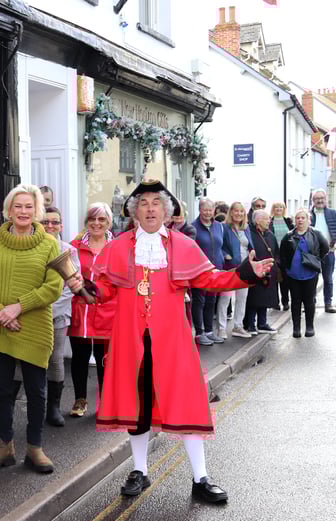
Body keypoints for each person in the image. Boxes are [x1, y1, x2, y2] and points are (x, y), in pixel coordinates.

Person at [68, 180, 273, 504]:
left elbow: (211, 278)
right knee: (138, 408)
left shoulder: (181, 246)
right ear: (135, 212)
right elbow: (105, 289)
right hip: (130, 343)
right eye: (143, 203)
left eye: (155, 202)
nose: (149, 208)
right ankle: (139, 470)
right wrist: (89, 290)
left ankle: (200, 477)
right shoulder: (119, 247)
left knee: (188, 402)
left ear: (166, 210)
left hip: (173, 342)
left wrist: (246, 271)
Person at [0, 184, 62, 474]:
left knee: (37, 391)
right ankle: (5, 447)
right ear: (8, 210)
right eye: (18, 206)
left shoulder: (50, 244)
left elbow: (54, 286)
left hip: (34, 327)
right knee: (1, 390)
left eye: (28, 206)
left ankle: (35, 448)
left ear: (37, 210)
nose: (23, 212)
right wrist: (1, 312)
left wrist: (18, 307)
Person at [68, 203, 116, 418]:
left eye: (101, 220)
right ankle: (80, 399)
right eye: (92, 219)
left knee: (104, 357)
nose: (96, 223)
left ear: (109, 223)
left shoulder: (118, 247)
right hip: (80, 309)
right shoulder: (74, 247)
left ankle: (105, 402)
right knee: (79, 356)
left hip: (108, 310)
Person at [40, 206, 77, 426]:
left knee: (55, 359)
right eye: (45, 222)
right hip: (31, 315)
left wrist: (47, 309)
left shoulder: (69, 251)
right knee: (21, 361)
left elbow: (70, 286)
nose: (50, 226)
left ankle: (53, 407)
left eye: (54, 222)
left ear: (61, 226)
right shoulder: (33, 248)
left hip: (57, 315)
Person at [280, 209, 329, 337]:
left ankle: (309, 327)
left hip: (310, 274)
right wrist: (286, 268)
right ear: (294, 220)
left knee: (309, 301)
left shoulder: (316, 233)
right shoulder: (288, 235)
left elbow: (325, 248)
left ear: (308, 220)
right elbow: (282, 254)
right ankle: (296, 328)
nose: (300, 220)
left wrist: (316, 260)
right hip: (293, 275)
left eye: (303, 218)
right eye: (298, 218)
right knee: (295, 301)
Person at [191, 199, 225, 346]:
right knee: (199, 301)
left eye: (210, 210)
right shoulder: (193, 227)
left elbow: (220, 246)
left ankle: (210, 331)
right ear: (200, 210)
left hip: (216, 269)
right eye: (205, 210)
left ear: (214, 211)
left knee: (212, 300)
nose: (207, 213)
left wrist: (222, 260)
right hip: (199, 270)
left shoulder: (219, 227)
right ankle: (199, 332)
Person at [219, 202, 253, 339]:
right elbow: (219, 245)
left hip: (245, 268)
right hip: (230, 268)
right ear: (231, 212)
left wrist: (252, 252)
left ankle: (238, 326)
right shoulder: (224, 227)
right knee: (225, 298)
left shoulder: (246, 228)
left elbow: (249, 245)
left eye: (241, 211)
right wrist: (226, 255)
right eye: (236, 211)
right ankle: (221, 328)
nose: (239, 213)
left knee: (242, 298)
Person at [244, 210, 279, 335]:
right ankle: (250, 324)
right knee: (254, 299)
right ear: (258, 221)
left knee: (265, 298)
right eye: (266, 219)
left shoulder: (270, 234)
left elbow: (276, 252)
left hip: (269, 272)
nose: (269, 221)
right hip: (255, 271)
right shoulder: (250, 234)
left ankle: (262, 323)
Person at [310, 189, 336, 313]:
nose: (320, 200)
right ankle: (311, 302)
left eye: (322, 198)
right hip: (312, 253)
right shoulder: (308, 215)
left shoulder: (333, 213)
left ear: (326, 199)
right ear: (313, 201)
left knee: (328, 279)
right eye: (317, 198)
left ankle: (328, 303)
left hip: (329, 252)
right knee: (311, 279)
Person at [270, 202, 294, 311]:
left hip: (286, 254)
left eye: (281, 207)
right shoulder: (269, 221)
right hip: (273, 253)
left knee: (285, 279)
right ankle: (275, 302)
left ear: (284, 209)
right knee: (274, 278)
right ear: (273, 209)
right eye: (276, 207)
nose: (278, 209)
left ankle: (285, 302)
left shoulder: (288, 221)